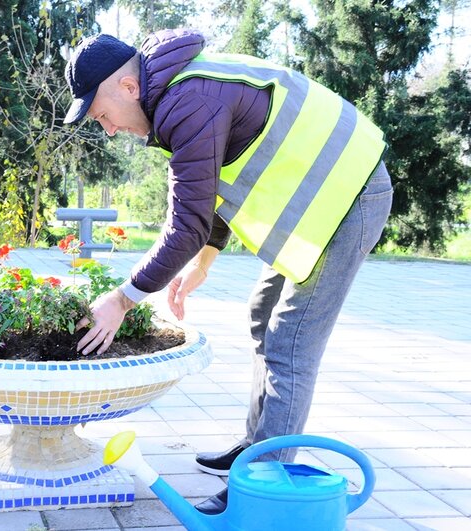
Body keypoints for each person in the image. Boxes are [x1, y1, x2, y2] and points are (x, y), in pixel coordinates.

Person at [64, 30, 392, 514]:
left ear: (128, 89)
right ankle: (256, 448)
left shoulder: (188, 99)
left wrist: (122, 298)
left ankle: (264, 487)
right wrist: (203, 262)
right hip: (329, 200)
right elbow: (218, 182)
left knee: (290, 340)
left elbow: (188, 221)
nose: (108, 129)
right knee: (263, 312)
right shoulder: (184, 89)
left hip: (349, 199)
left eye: (102, 115)